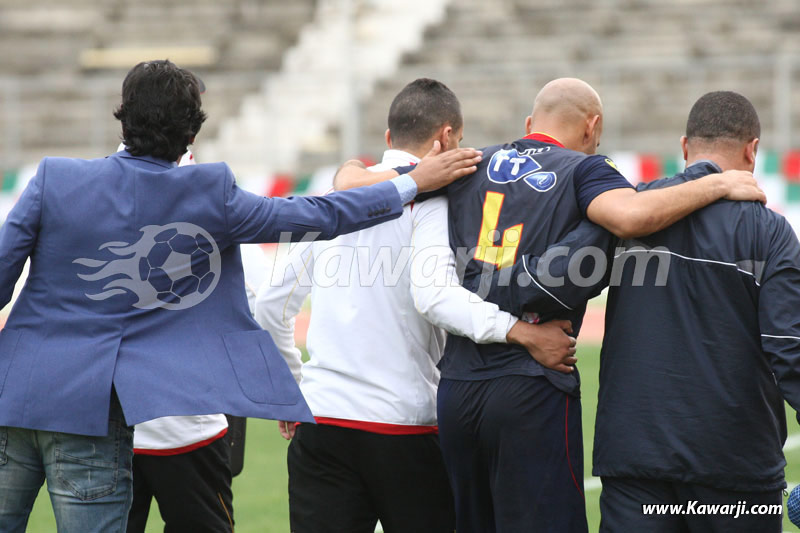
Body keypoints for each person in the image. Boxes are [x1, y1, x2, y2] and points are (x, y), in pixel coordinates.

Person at [0, 60, 480, 532]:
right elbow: (319, 215)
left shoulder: (52, 178)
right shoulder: (210, 193)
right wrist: (411, 183)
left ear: (122, 114)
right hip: (107, 415)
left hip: (15, 394)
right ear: (193, 135)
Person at [334, 78, 766, 532]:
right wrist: (717, 183)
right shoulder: (585, 169)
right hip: (531, 381)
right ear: (591, 127)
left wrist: (347, 168)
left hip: (458, 390)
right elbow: (632, 216)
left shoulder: (469, 161)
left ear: (528, 124)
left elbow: (353, 184)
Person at [255, 78, 576, 533]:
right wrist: (522, 332)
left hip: (323, 421)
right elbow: (435, 297)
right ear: (446, 138)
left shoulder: (334, 198)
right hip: (402, 426)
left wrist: (291, 389)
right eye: (458, 142)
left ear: (389, 139)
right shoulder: (435, 203)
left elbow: (270, 304)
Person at [484, 91, 798, 532]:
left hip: (633, 461)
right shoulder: (770, 230)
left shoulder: (626, 211)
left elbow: (545, 285)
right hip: (736, 465)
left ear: (685, 148)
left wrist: (519, 326)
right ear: (752, 151)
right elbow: (789, 347)